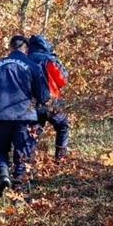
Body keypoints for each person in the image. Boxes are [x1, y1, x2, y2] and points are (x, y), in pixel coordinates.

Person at [0, 35, 49, 197]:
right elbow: (43, 96)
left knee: (0, 151)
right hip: (24, 116)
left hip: (0, 116)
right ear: (25, 48)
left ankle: (3, 175)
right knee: (22, 154)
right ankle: (18, 191)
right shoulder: (32, 66)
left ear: (10, 47)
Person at [26, 34, 71, 162]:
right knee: (63, 126)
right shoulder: (49, 59)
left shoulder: (25, 60)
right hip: (52, 102)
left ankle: (29, 165)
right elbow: (62, 81)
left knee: (33, 133)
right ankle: (60, 159)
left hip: (31, 104)